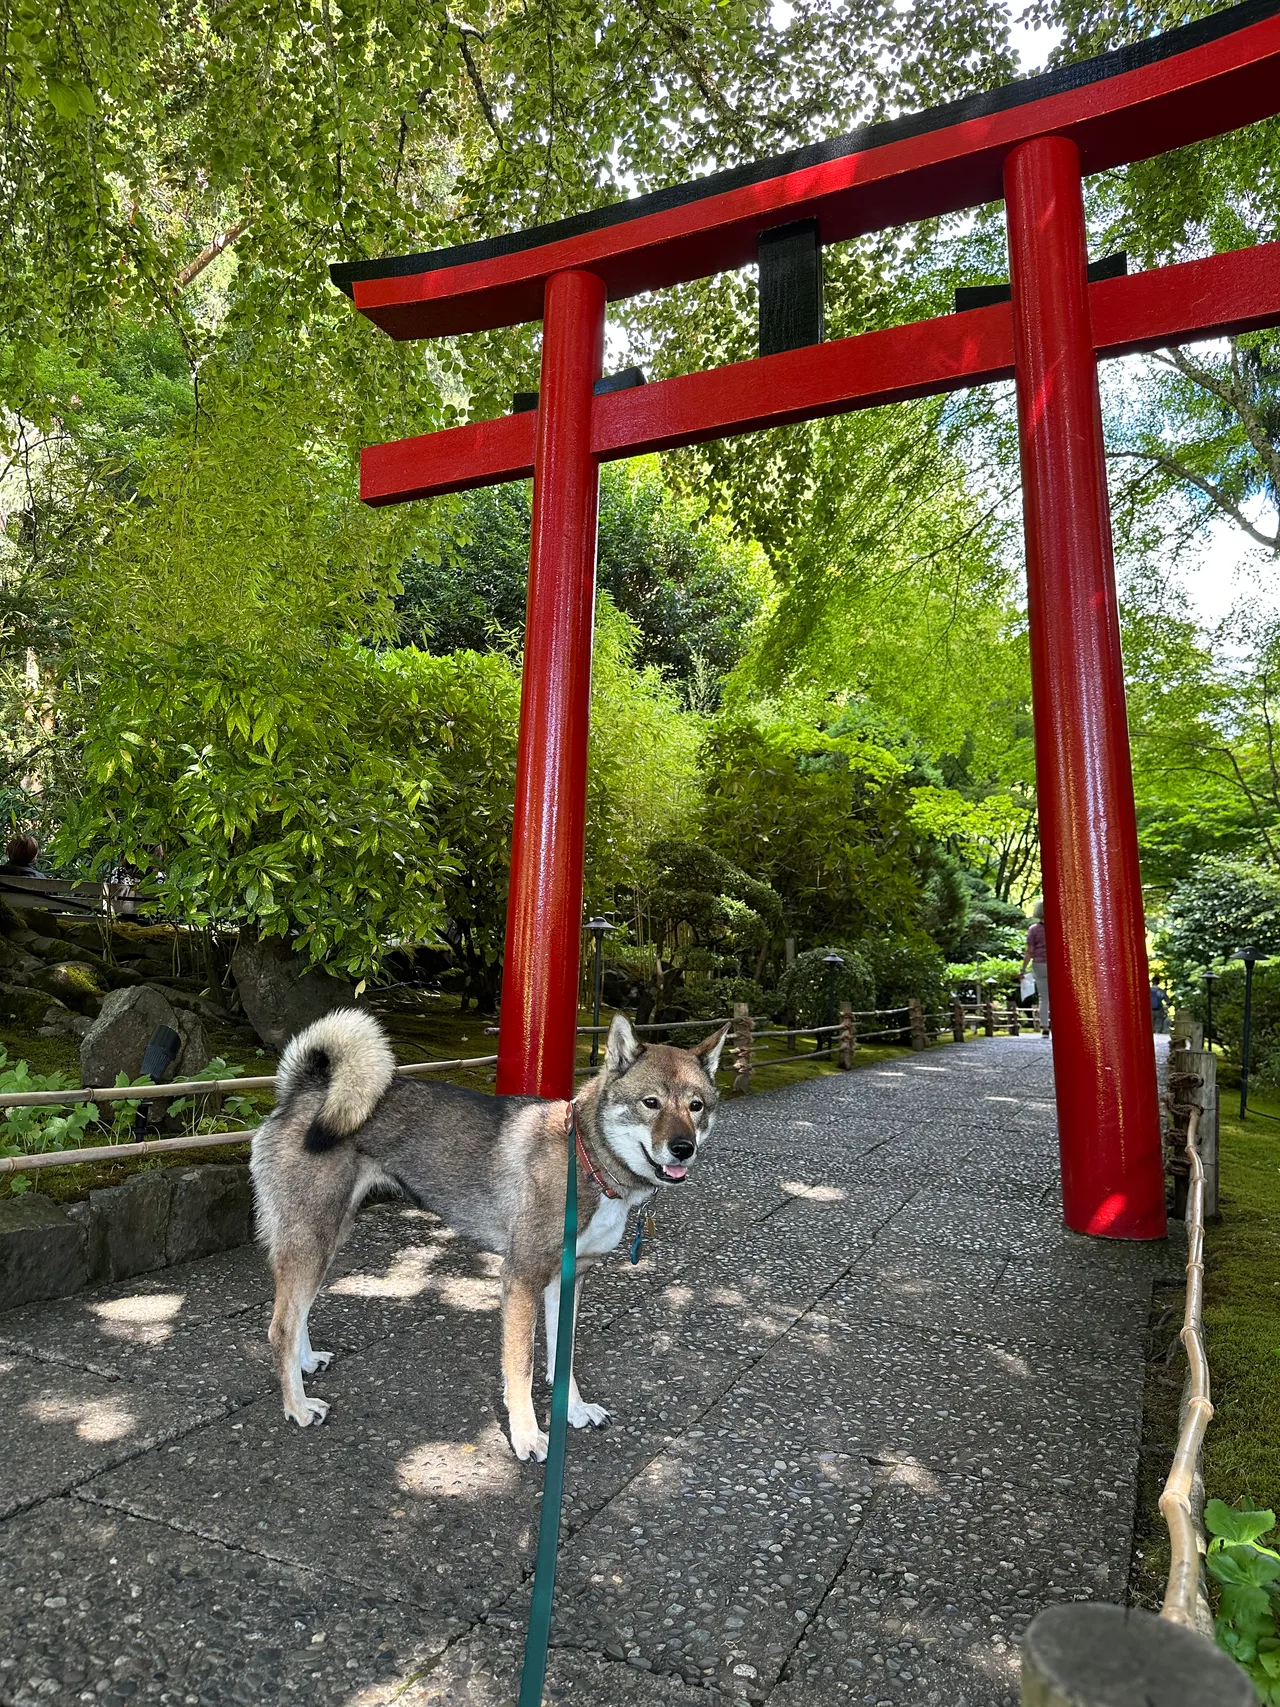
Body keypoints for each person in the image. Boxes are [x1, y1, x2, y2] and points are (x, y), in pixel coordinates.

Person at [1021, 900, 1050, 1036]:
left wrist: (1023, 969)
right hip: (1055, 965)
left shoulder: (1033, 929)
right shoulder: (1058, 927)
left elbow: (1029, 951)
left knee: (1043, 997)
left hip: (1039, 964)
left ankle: (1045, 1027)